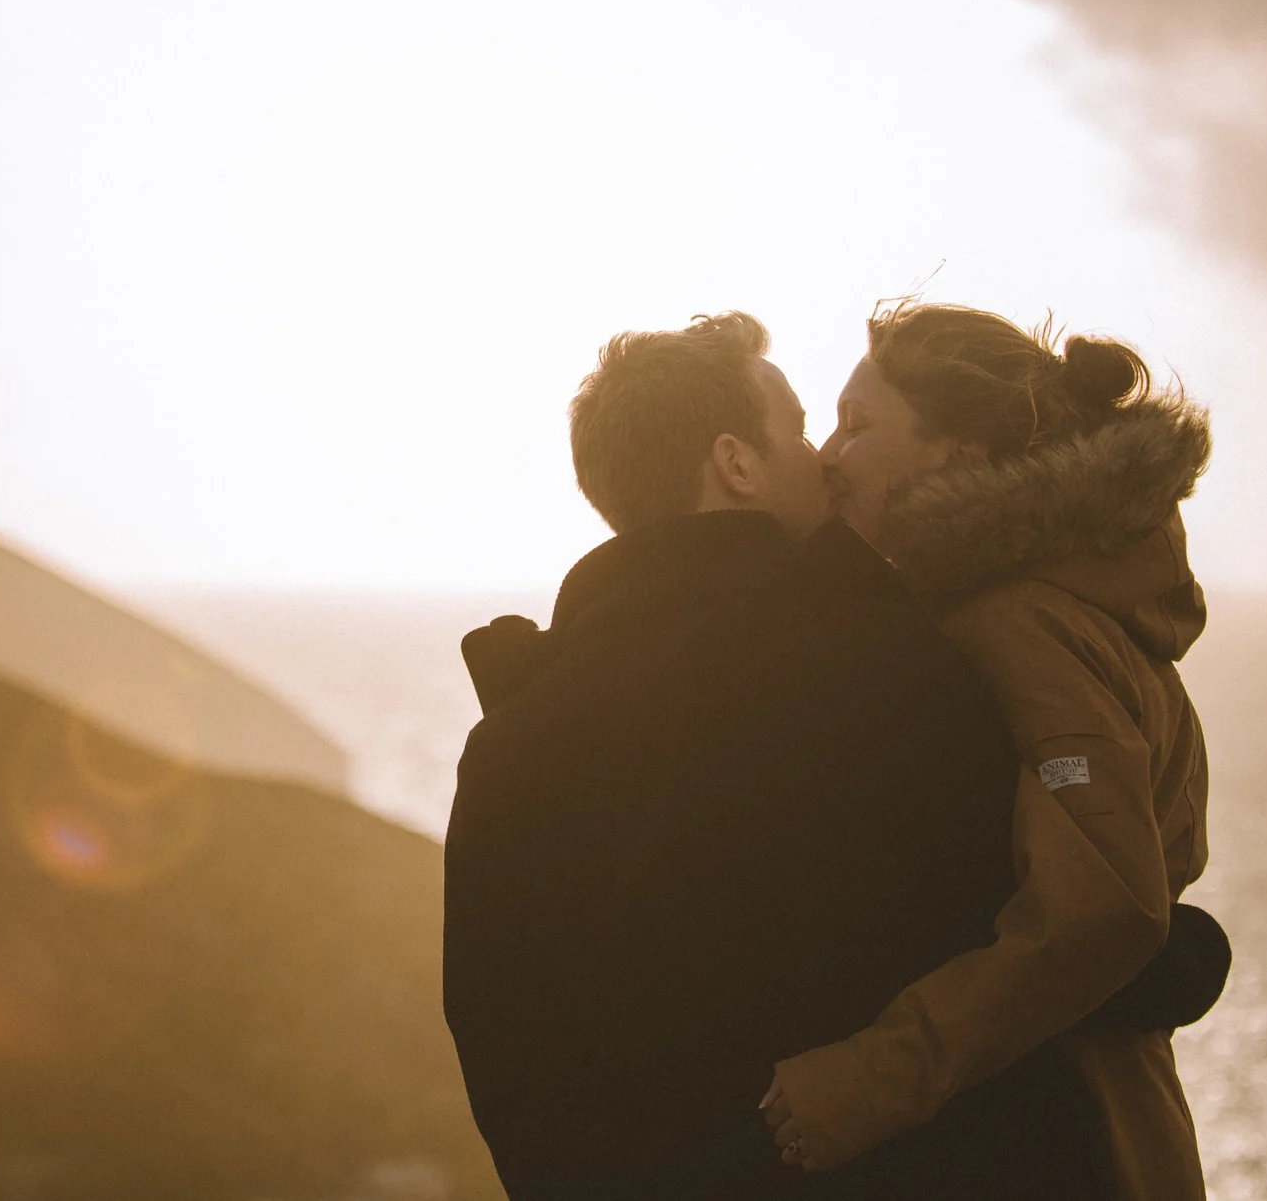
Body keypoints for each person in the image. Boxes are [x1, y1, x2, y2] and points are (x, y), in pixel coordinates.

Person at [442, 312, 1116, 1199]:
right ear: (737, 462)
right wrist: (1162, 956)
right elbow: (1008, 936)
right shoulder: (888, 669)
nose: (825, 458)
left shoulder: (509, 746)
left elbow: (511, 1069)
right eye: (798, 427)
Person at [762, 302, 1215, 1201]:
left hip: (1082, 1140)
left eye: (858, 427)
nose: (825, 456)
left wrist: (864, 1080)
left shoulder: (1017, 620)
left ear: (958, 455)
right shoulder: (1034, 602)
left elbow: (1100, 908)